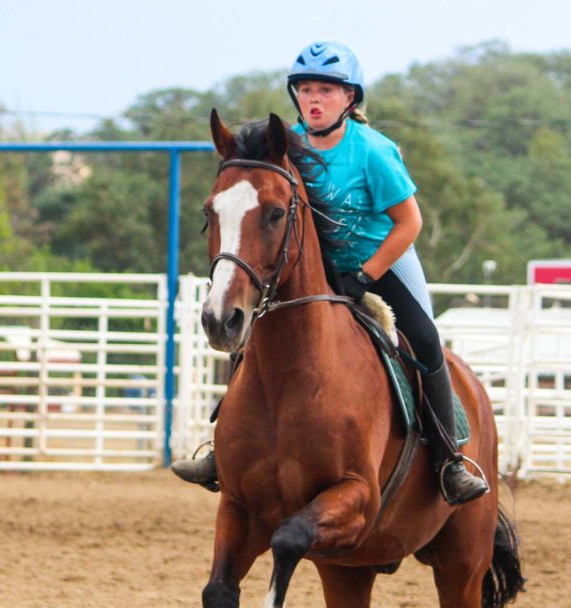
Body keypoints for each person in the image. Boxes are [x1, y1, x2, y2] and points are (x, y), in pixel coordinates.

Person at [172, 40, 489, 506]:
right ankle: (224, 450)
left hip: (381, 259)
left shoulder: (373, 151)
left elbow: (409, 224)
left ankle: (449, 461)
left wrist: (365, 274)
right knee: (252, 337)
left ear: (350, 99)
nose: (313, 99)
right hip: (313, 268)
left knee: (422, 336)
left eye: (326, 90)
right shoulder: (286, 146)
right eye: (304, 90)